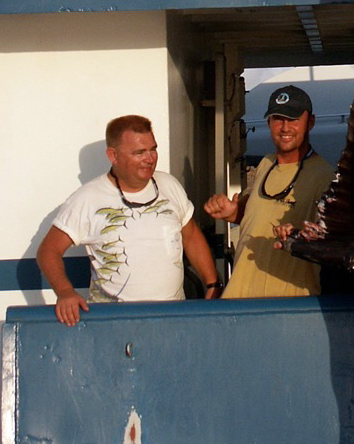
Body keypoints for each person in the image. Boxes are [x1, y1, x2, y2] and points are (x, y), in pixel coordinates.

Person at [37, 114, 221, 326]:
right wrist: (65, 293)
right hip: (115, 324)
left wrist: (212, 282)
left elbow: (190, 236)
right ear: (113, 156)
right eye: (139, 152)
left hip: (172, 320)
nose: (150, 158)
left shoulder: (169, 185)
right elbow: (48, 250)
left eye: (153, 149)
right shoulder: (87, 198)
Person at [204, 85, 334, 298]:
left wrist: (298, 237)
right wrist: (231, 212)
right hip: (238, 299)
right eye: (278, 119)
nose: (285, 128)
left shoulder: (325, 176)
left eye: (293, 119)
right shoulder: (265, 163)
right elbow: (253, 216)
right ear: (269, 122)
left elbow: (333, 243)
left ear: (310, 122)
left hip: (288, 306)